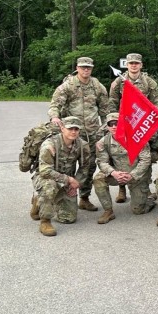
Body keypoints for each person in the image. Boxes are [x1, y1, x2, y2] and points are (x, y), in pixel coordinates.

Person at [48, 56, 108, 212]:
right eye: (83, 67)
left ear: (92, 68)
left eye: (88, 67)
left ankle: (84, 197)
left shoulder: (97, 86)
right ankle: (60, 196)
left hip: (93, 133)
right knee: (64, 166)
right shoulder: (68, 85)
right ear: (77, 68)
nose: (86, 69)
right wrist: (55, 117)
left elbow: (104, 109)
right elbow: (55, 105)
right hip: (72, 133)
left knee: (88, 167)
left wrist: (106, 126)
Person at [108, 53, 158, 202]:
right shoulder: (119, 82)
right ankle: (122, 188)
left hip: (143, 125)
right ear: (127, 65)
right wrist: (115, 123)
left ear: (141, 65)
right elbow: (112, 104)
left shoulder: (150, 83)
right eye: (131, 63)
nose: (133, 65)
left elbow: (156, 105)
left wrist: (151, 125)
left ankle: (145, 186)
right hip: (125, 125)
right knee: (120, 156)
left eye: (136, 63)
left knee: (147, 156)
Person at [33, 116, 91, 237]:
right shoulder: (49, 145)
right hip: (46, 178)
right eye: (70, 129)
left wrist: (76, 183)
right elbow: (45, 171)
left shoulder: (82, 145)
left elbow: (85, 167)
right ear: (62, 128)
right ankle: (45, 221)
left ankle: (46, 201)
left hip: (67, 182)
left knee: (68, 218)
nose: (74, 132)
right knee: (50, 187)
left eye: (76, 129)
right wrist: (68, 179)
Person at [92, 113, 154, 224]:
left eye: (117, 123)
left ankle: (149, 198)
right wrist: (113, 173)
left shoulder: (137, 138)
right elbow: (102, 161)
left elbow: (145, 161)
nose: (114, 126)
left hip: (136, 175)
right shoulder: (103, 142)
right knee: (98, 179)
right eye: (110, 124)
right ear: (107, 126)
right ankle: (108, 211)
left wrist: (132, 175)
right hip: (117, 174)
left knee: (138, 210)